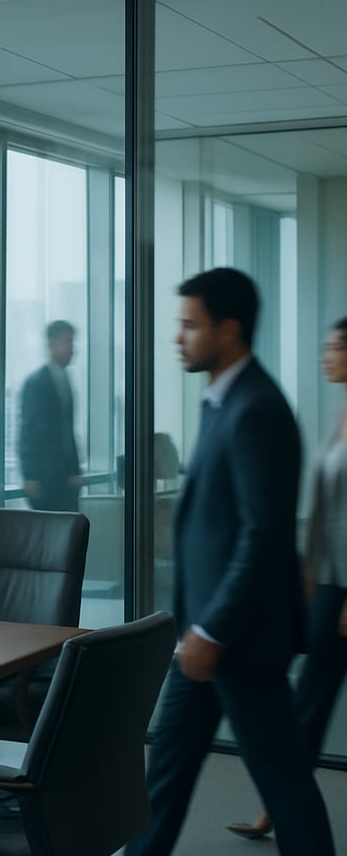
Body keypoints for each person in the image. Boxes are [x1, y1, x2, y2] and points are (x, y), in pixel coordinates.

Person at [125, 268, 334, 856]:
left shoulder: (256, 408)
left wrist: (213, 628)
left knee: (282, 778)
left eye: (190, 325)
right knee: (166, 771)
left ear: (229, 330)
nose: (178, 338)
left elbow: (262, 537)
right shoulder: (225, 402)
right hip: (207, 639)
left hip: (234, 639)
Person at [227, 316, 347, 841]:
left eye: (335, 347)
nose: (325, 355)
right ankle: (278, 808)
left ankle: (278, 809)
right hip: (329, 581)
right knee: (312, 699)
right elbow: (325, 509)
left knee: (311, 699)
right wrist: (308, 570)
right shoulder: (341, 417)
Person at [18, 320, 81, 511]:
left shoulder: (66, 380)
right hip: (44, 481)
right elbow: (28, 431)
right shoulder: (36, 383)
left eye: (72, 342)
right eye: (66, 342)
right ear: (50, 345)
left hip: (67, 481)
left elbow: (68, 430)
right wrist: (30, 475)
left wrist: (75, 470)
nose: (72, 348)